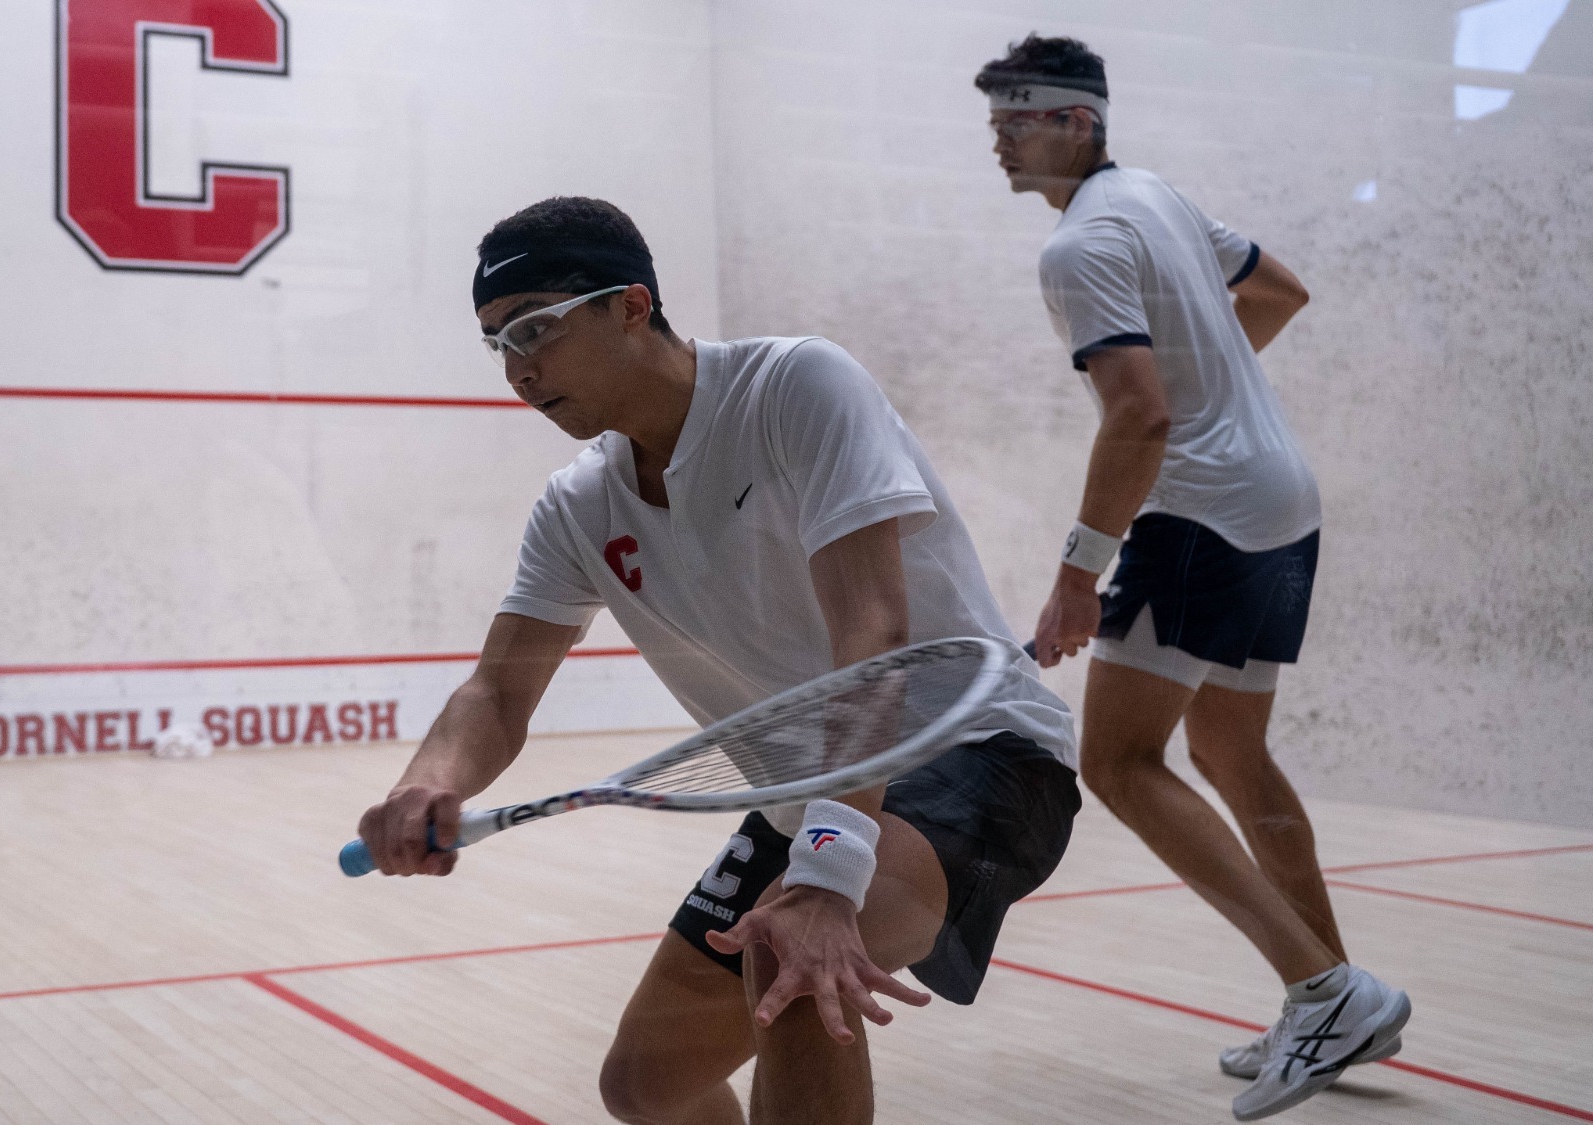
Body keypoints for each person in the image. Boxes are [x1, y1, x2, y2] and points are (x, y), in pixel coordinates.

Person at [353, 196, 1081, 1124]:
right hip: (813, 788)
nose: (518, 367)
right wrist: (428, 780)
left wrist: (828, 872)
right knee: (646, 1086)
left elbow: (872, 631)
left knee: (788, 952)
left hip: (978, 753)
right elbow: (499, 690)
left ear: (631, 305)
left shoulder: (795, 387)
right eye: (498, 342)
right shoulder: (578, 508)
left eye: (536, 326)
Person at [973, 34, 1410, 1121]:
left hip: (1203, 515)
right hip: (1281, 499)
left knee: (1119, 762)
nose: (998, 138)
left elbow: (1139, 416)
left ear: (1077, 120)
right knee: (1228, 749)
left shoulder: (1079, 246)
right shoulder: (1154, 197)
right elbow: (1279, 291)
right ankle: (1330, 996)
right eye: (994, 120)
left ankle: (1324, 993)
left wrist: (1077, 576)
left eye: (1017, 117)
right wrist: (1214, 382)